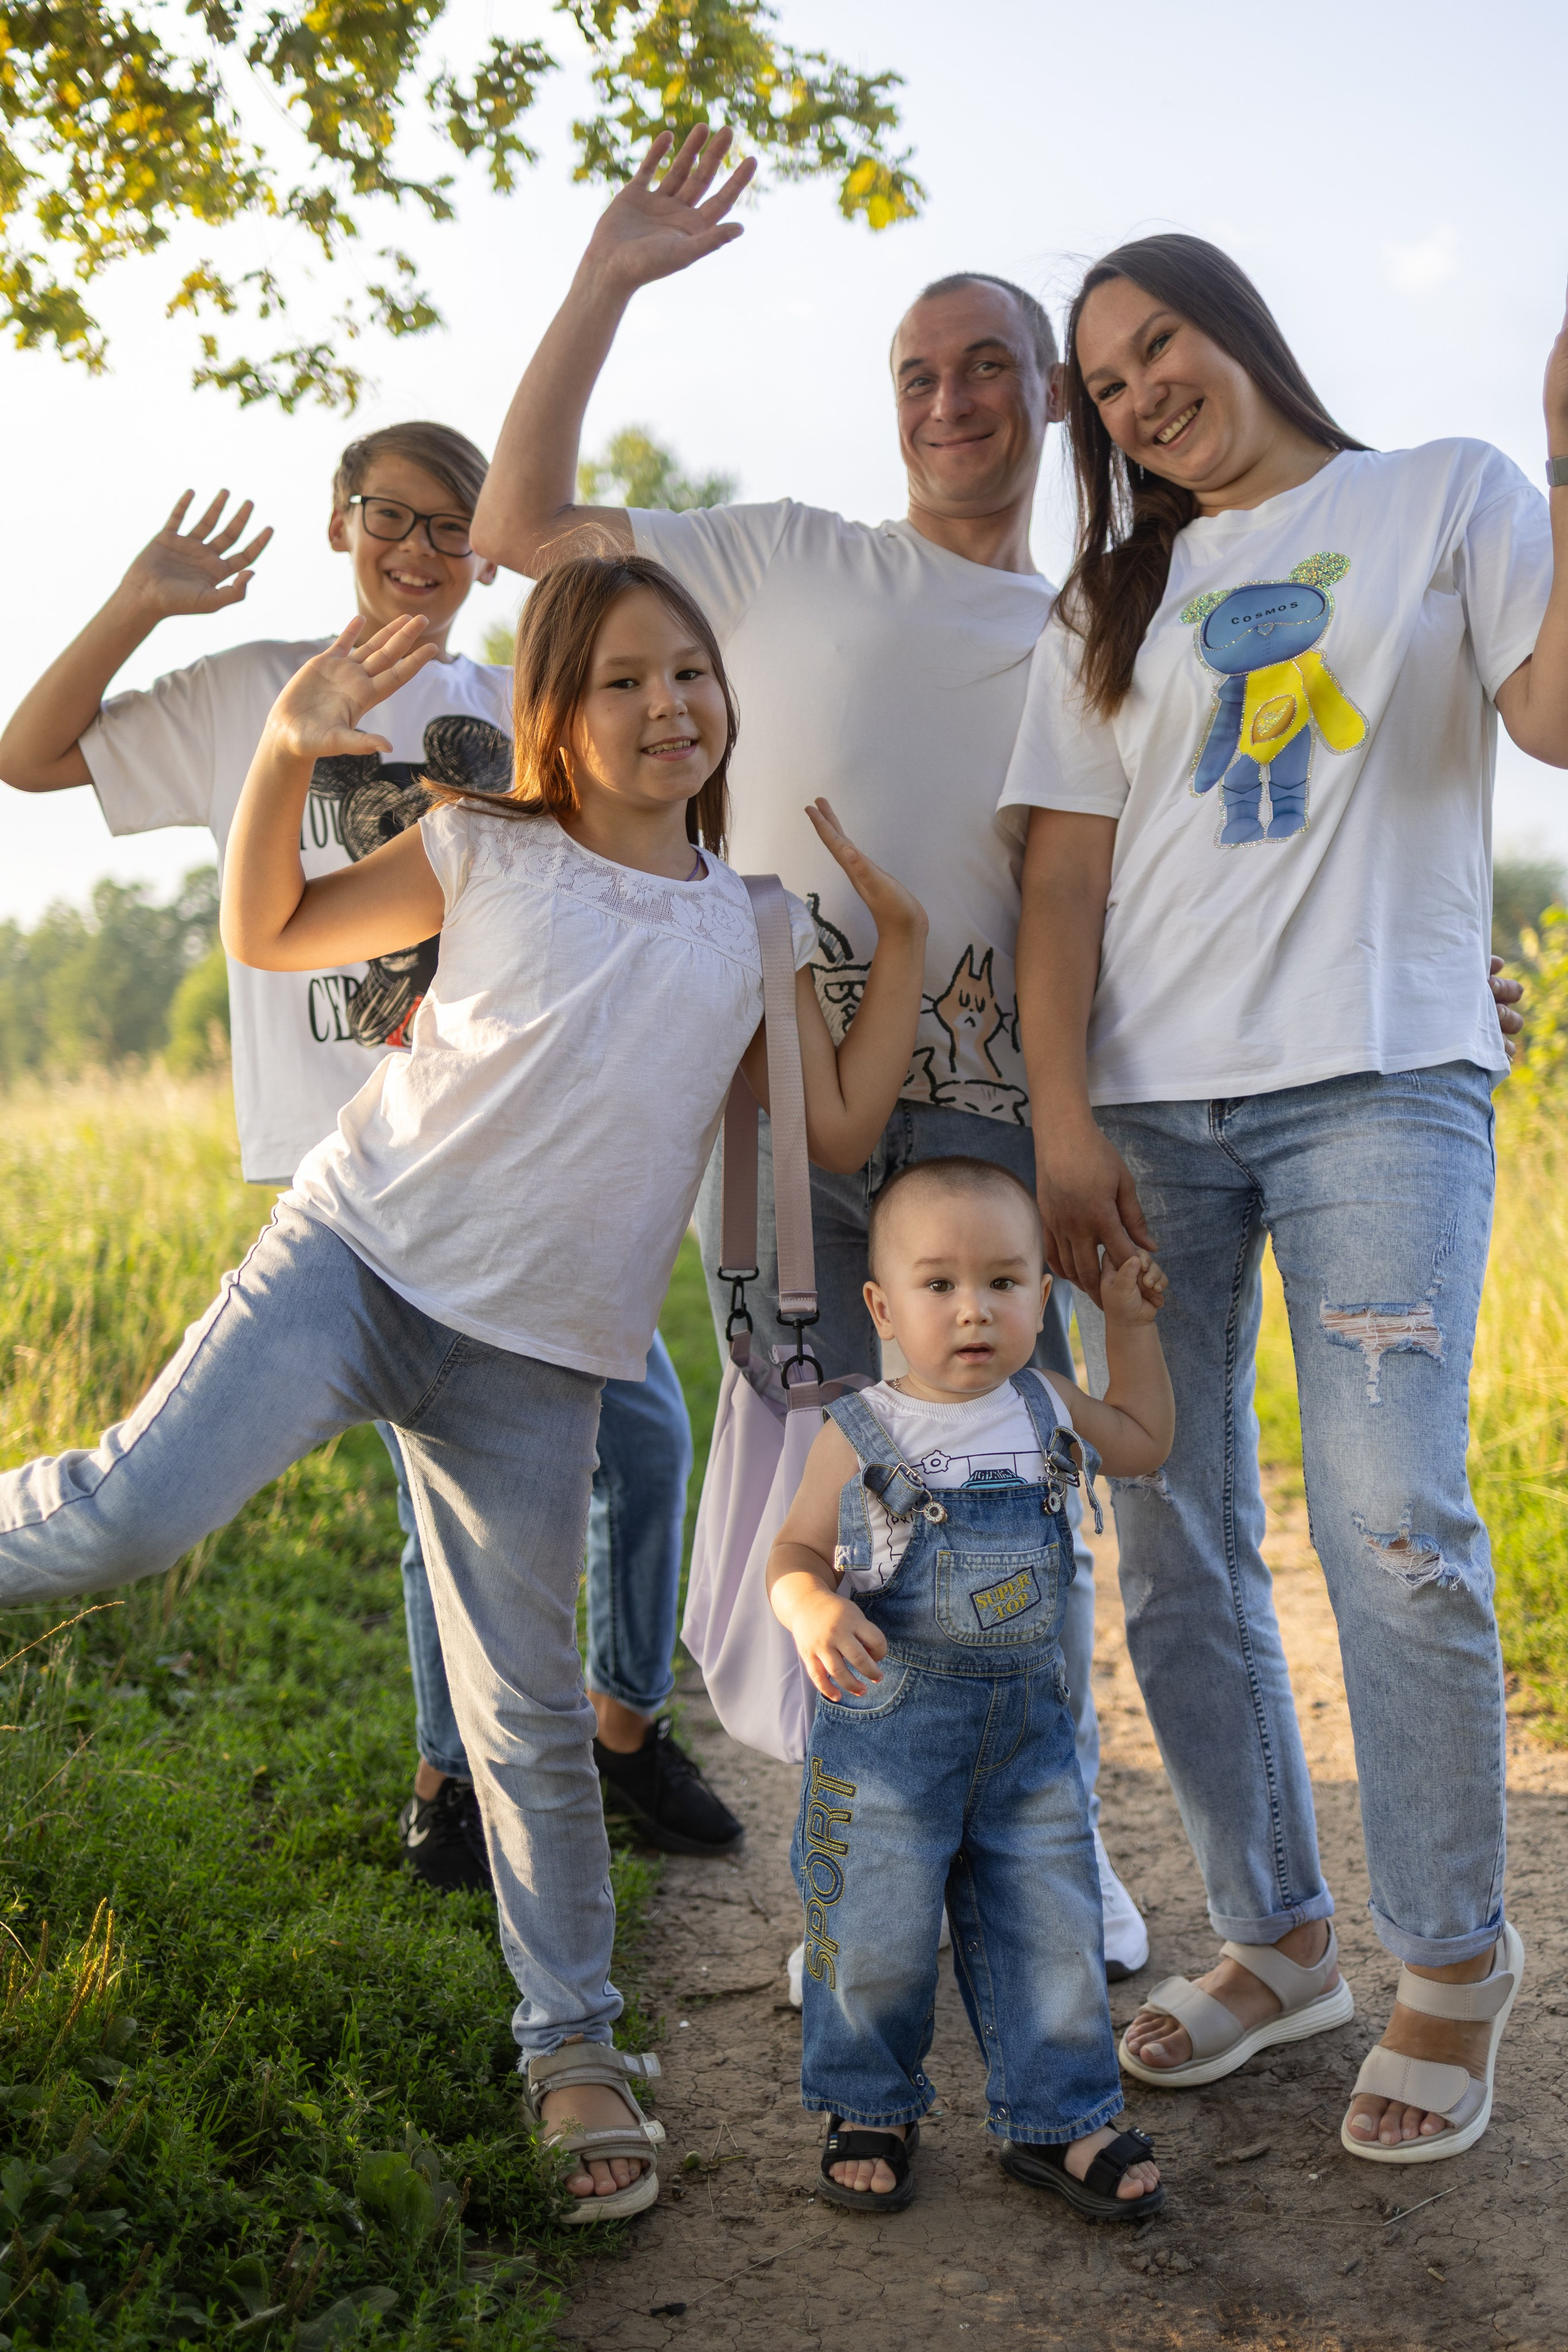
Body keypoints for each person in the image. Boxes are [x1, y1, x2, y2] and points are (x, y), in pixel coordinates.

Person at [0, 551, 929, 2219]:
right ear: (552, 719)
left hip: (541, 1360)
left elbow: (838, 1132)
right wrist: (291, 742)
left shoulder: (755, 921)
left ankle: (575, 2052)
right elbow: (275, 927)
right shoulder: (487, 845)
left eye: (691, 674)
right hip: (353, 1267)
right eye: (623, 681)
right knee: (123, 1519)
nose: (669, 707)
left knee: (527, 1717)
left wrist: (910, 940)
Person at [471, 124, 1150, 1975]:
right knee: (826, 1506)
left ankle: (1052, 1846)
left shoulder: (1097, 625)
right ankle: (861, 1854)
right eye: (917, 373)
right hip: (770, 1099)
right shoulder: (778, 557)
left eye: (987, 364)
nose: (949, 399)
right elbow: (521, 531)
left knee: (1001, 1485)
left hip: (987, 1117)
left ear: (1054, 403)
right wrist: (605, 276)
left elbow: (1148, 886)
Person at [0, 429, 741, 1890]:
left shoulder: (502, 702)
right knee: (420, 1500)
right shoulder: (255, 684)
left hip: (498, 1142)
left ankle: (618, 1728)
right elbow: (28, 758)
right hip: (351, 1166)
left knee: (643, 1439)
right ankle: (450, 1782)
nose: (418, 548)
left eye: (453, 529)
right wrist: (144, 600)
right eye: (390, 517)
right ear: (339, 520)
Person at [1006, 233, 1567, 2164]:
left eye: (1156, 342)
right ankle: (1281, 1937)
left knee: (1392, 1517)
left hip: (1383, 1086)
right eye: (1104, 382)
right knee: (1174, 1531)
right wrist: (1060, 1120)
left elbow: (1556, 720)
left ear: (1232, 324)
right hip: (1148, 1119)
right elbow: (1062, 888)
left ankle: (1449, 1959)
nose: (1138, 391)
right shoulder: (1114, 596)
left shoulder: (1446, 495)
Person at [767, 1158, 1172, 2217]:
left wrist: (1127, 1327)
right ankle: (870, 2103)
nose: (973, 1310)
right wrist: (812, 1606)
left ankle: (1062, 2116)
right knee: (874, 1931)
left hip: (1027, 1745)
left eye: (1004, 1281)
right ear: (883, 1308)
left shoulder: (1043, 1403)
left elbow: (1142, 1441)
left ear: (1042, 1296)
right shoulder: (863, 1431)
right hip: (889, 1739)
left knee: (1051, 1921)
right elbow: (796, 1553)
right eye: (938, 1285)